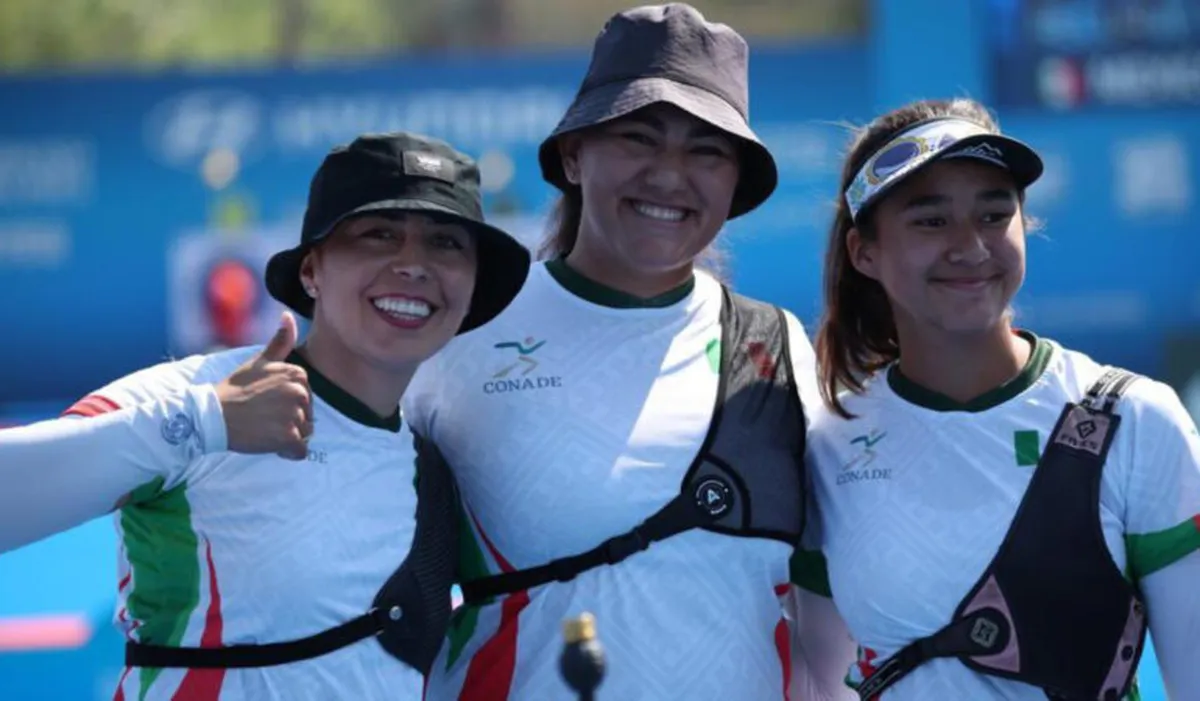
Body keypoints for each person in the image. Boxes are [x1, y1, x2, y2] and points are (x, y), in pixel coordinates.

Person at [402, 4, 857, 700]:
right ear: (575, 156)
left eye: (706, 151)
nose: (670, 176)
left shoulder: (777, 346)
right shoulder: (461, 331)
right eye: (639, 139)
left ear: (736, 182)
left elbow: (831, 608)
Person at [0, 131, 531, 700]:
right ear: (311, 272)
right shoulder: (204, 393)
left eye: (447, 243)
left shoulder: (436, 462)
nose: (414, 265)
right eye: (379, 235)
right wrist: (205, 423)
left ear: (473, 289)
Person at [808, 97, 1200, 699]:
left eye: (994, 215)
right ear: (866, 252)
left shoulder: (1137, 421)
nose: (971, 248)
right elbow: (816, 681)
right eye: (931, 221)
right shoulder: (826, 443)